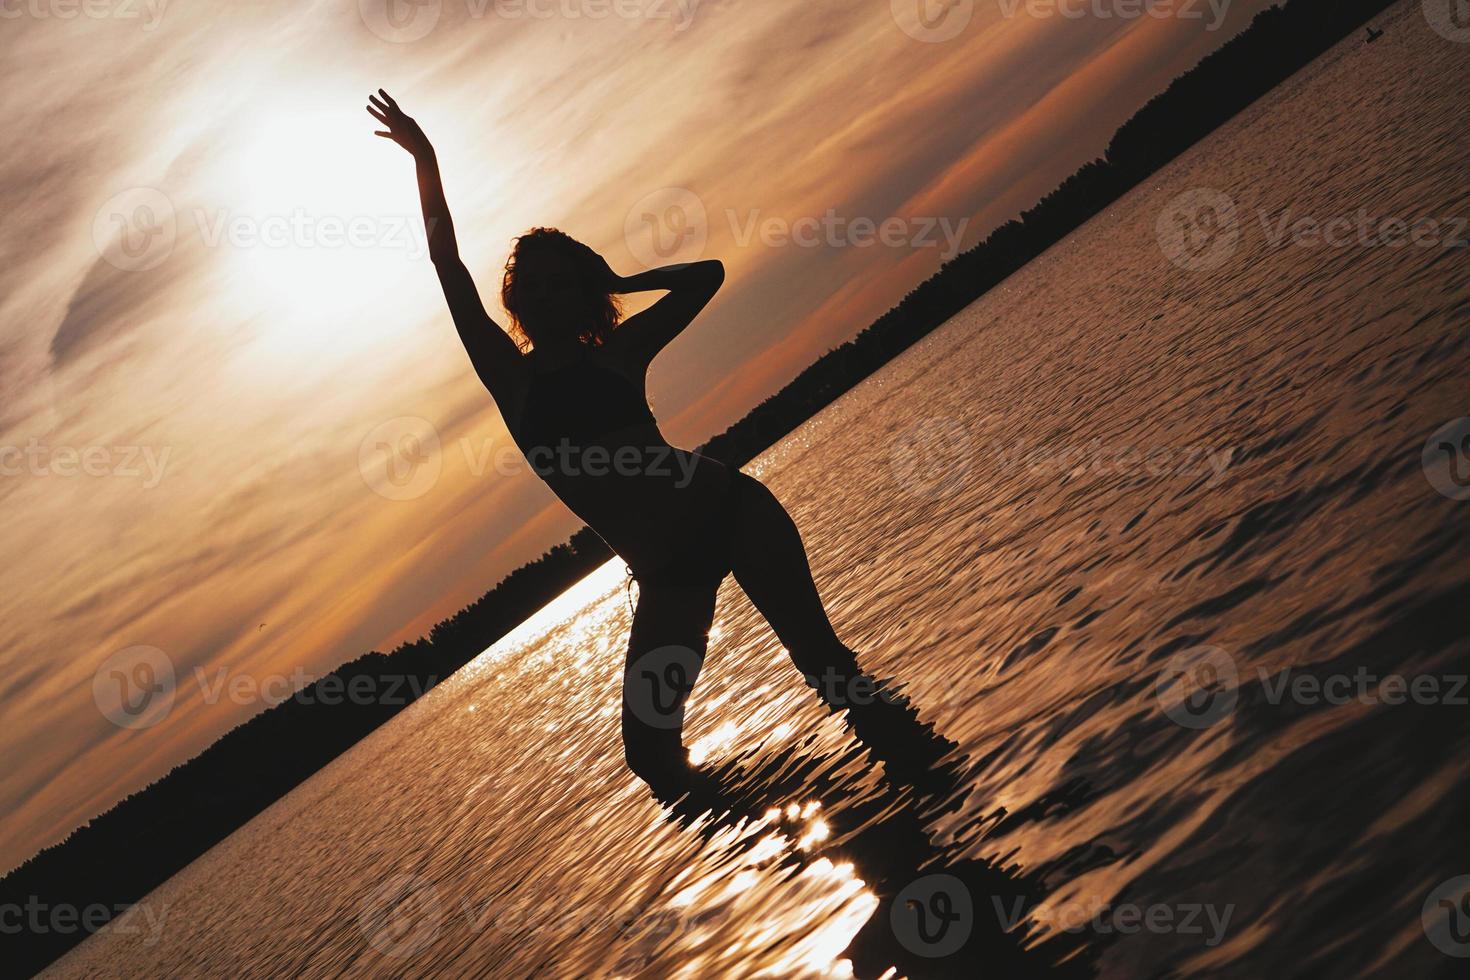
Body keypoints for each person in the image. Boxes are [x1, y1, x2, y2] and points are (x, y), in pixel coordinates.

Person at [367, 90, 949, 795]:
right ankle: (800, 814)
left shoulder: (620, 352)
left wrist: (620, 279)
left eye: (565, 286)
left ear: (583, 296)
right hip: (668, 577)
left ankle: (935, 785)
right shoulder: (510, 381)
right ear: (517, 302)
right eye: (536, 289)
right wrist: (425, 159)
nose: (550, 298)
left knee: (827, 667)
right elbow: (448, 269)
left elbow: (708, 276)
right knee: (652, 758)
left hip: (733, 513)